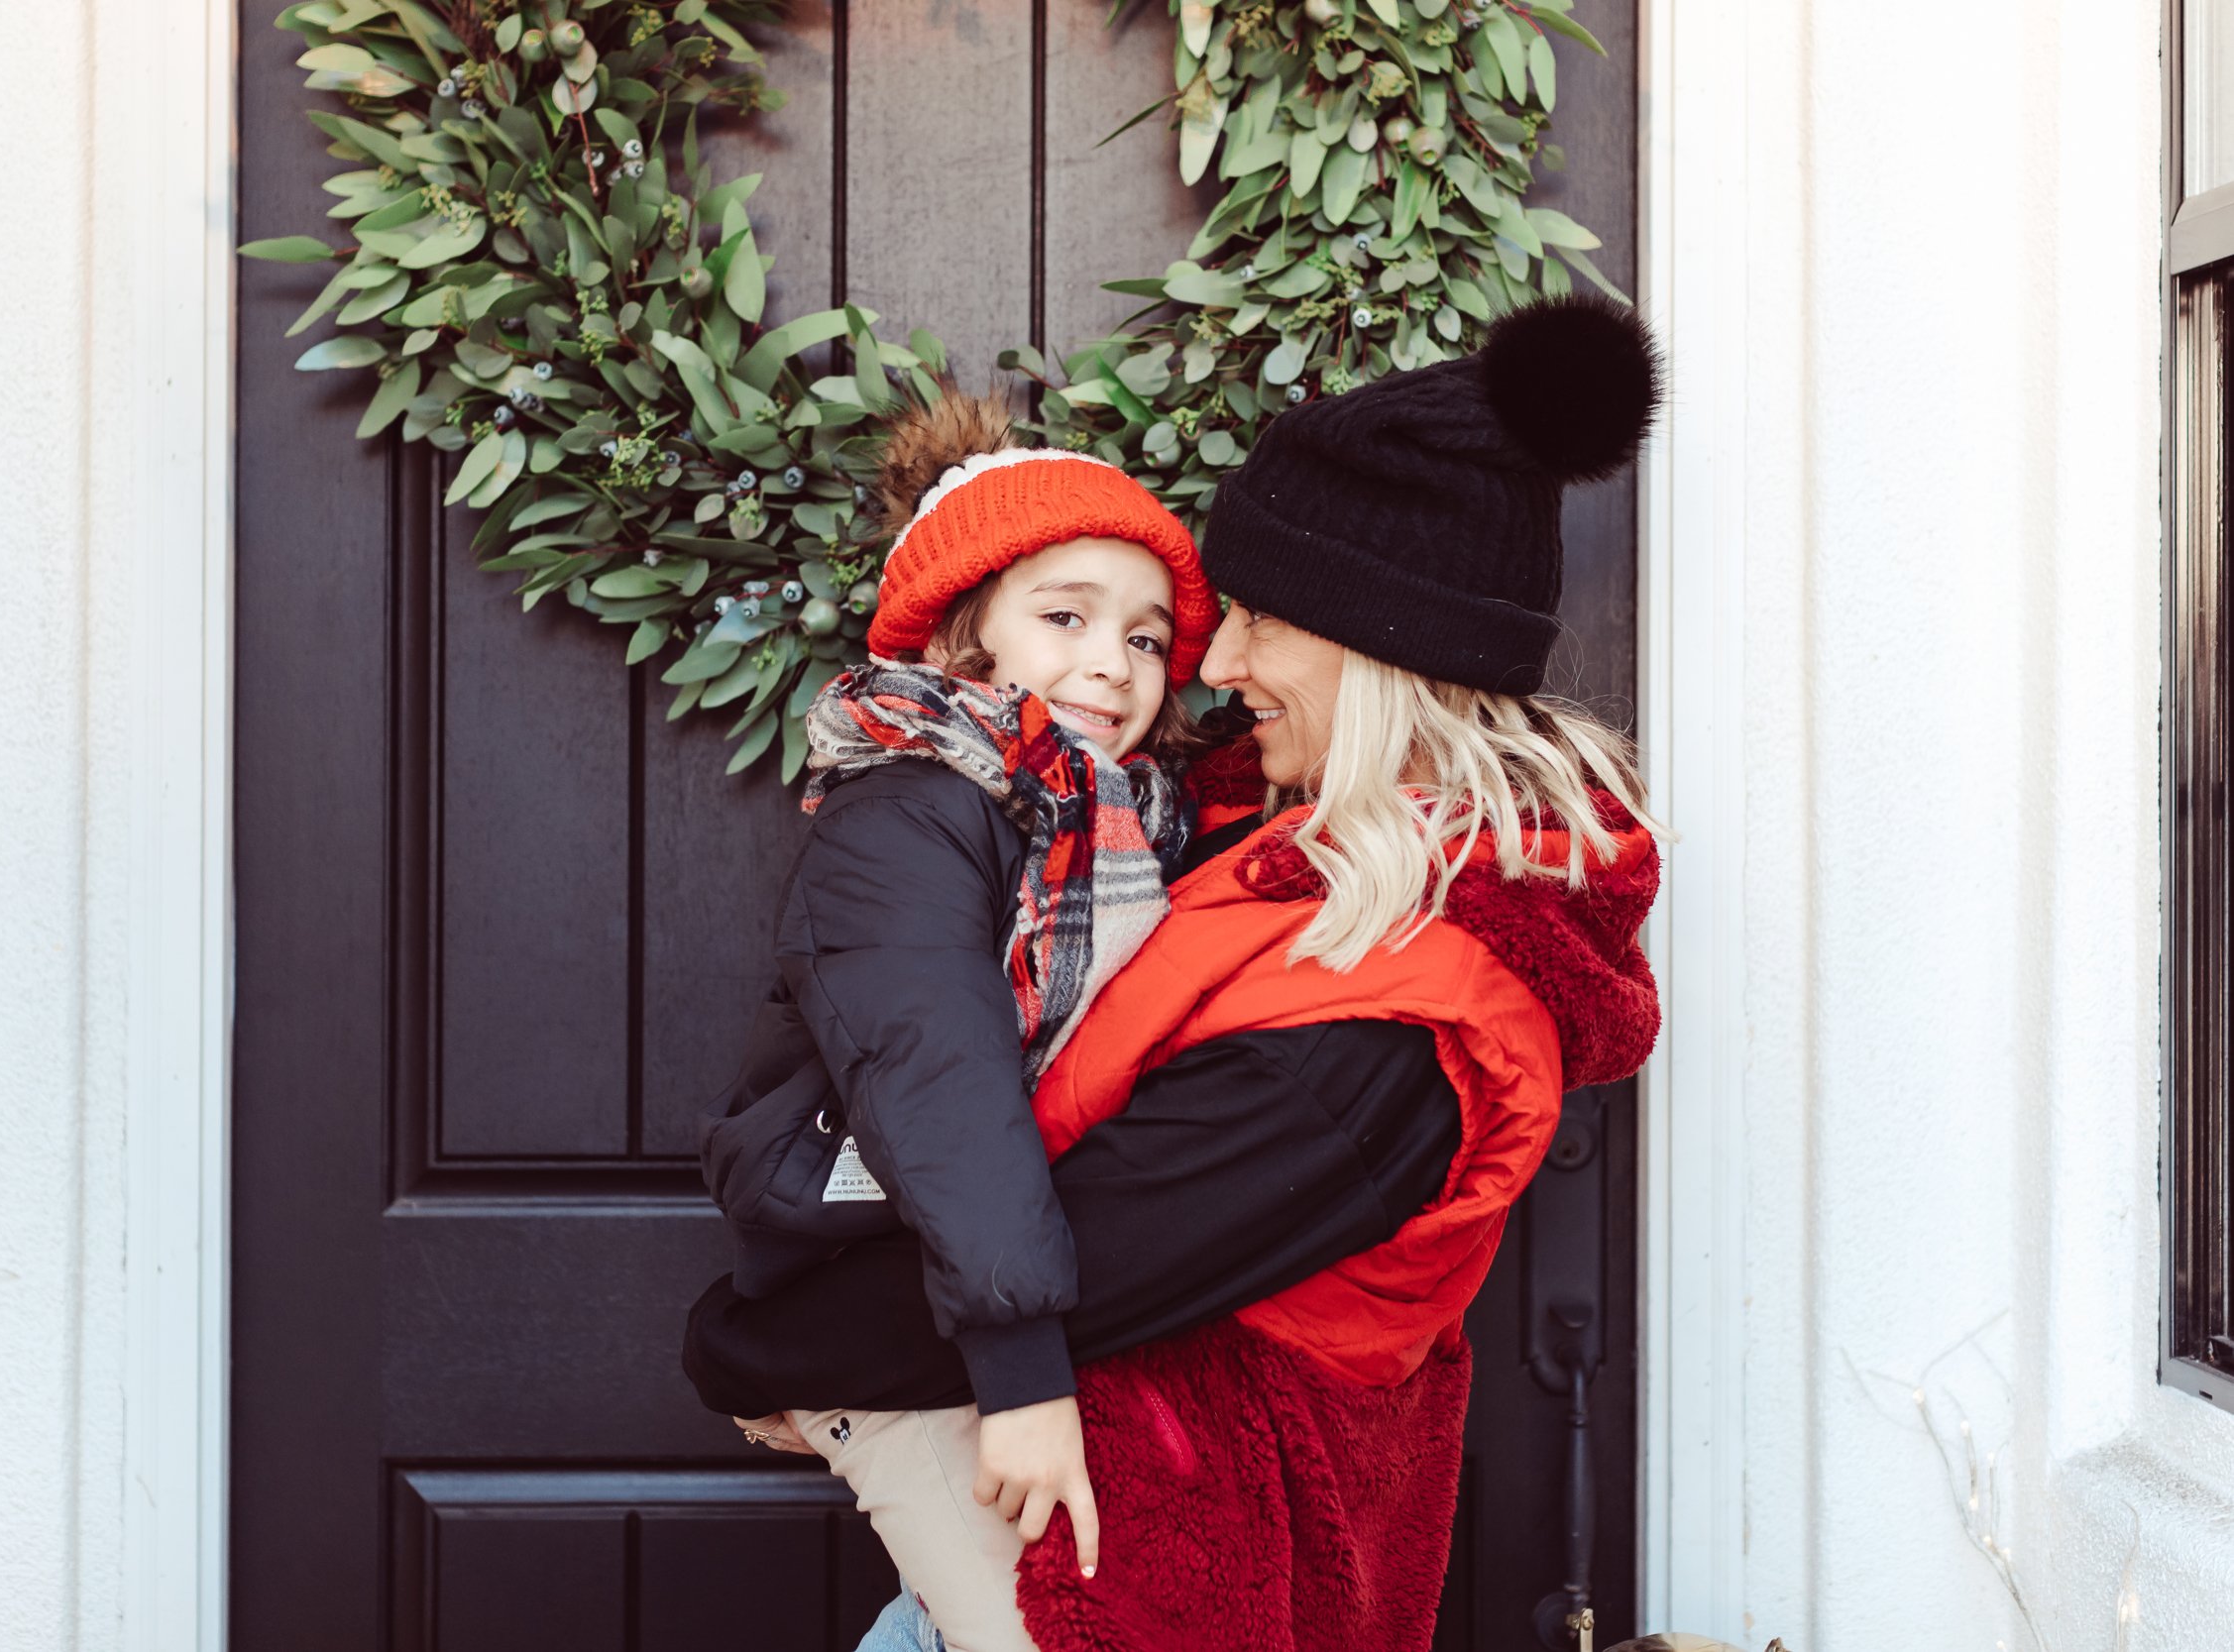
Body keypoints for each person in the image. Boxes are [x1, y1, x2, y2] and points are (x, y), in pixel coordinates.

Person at [688, 293, 1667, 1652]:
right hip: (1084, 1504)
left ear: (1384, 652)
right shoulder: (1216, 838)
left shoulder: (1400, 1023)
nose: (1215, 659)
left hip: (1178, 1560)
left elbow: (1108, 1249)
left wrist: (754, 1343)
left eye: (1258, 617)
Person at [694, 390, 1227, 1652]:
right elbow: (938, 1076)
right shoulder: (912, 810)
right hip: (877, 1319)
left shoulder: (1128, 826)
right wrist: (1023, 1373)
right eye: (1065, 617)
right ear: (957, 643)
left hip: (994, 1300)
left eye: (1149, 637)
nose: (1115, 661)